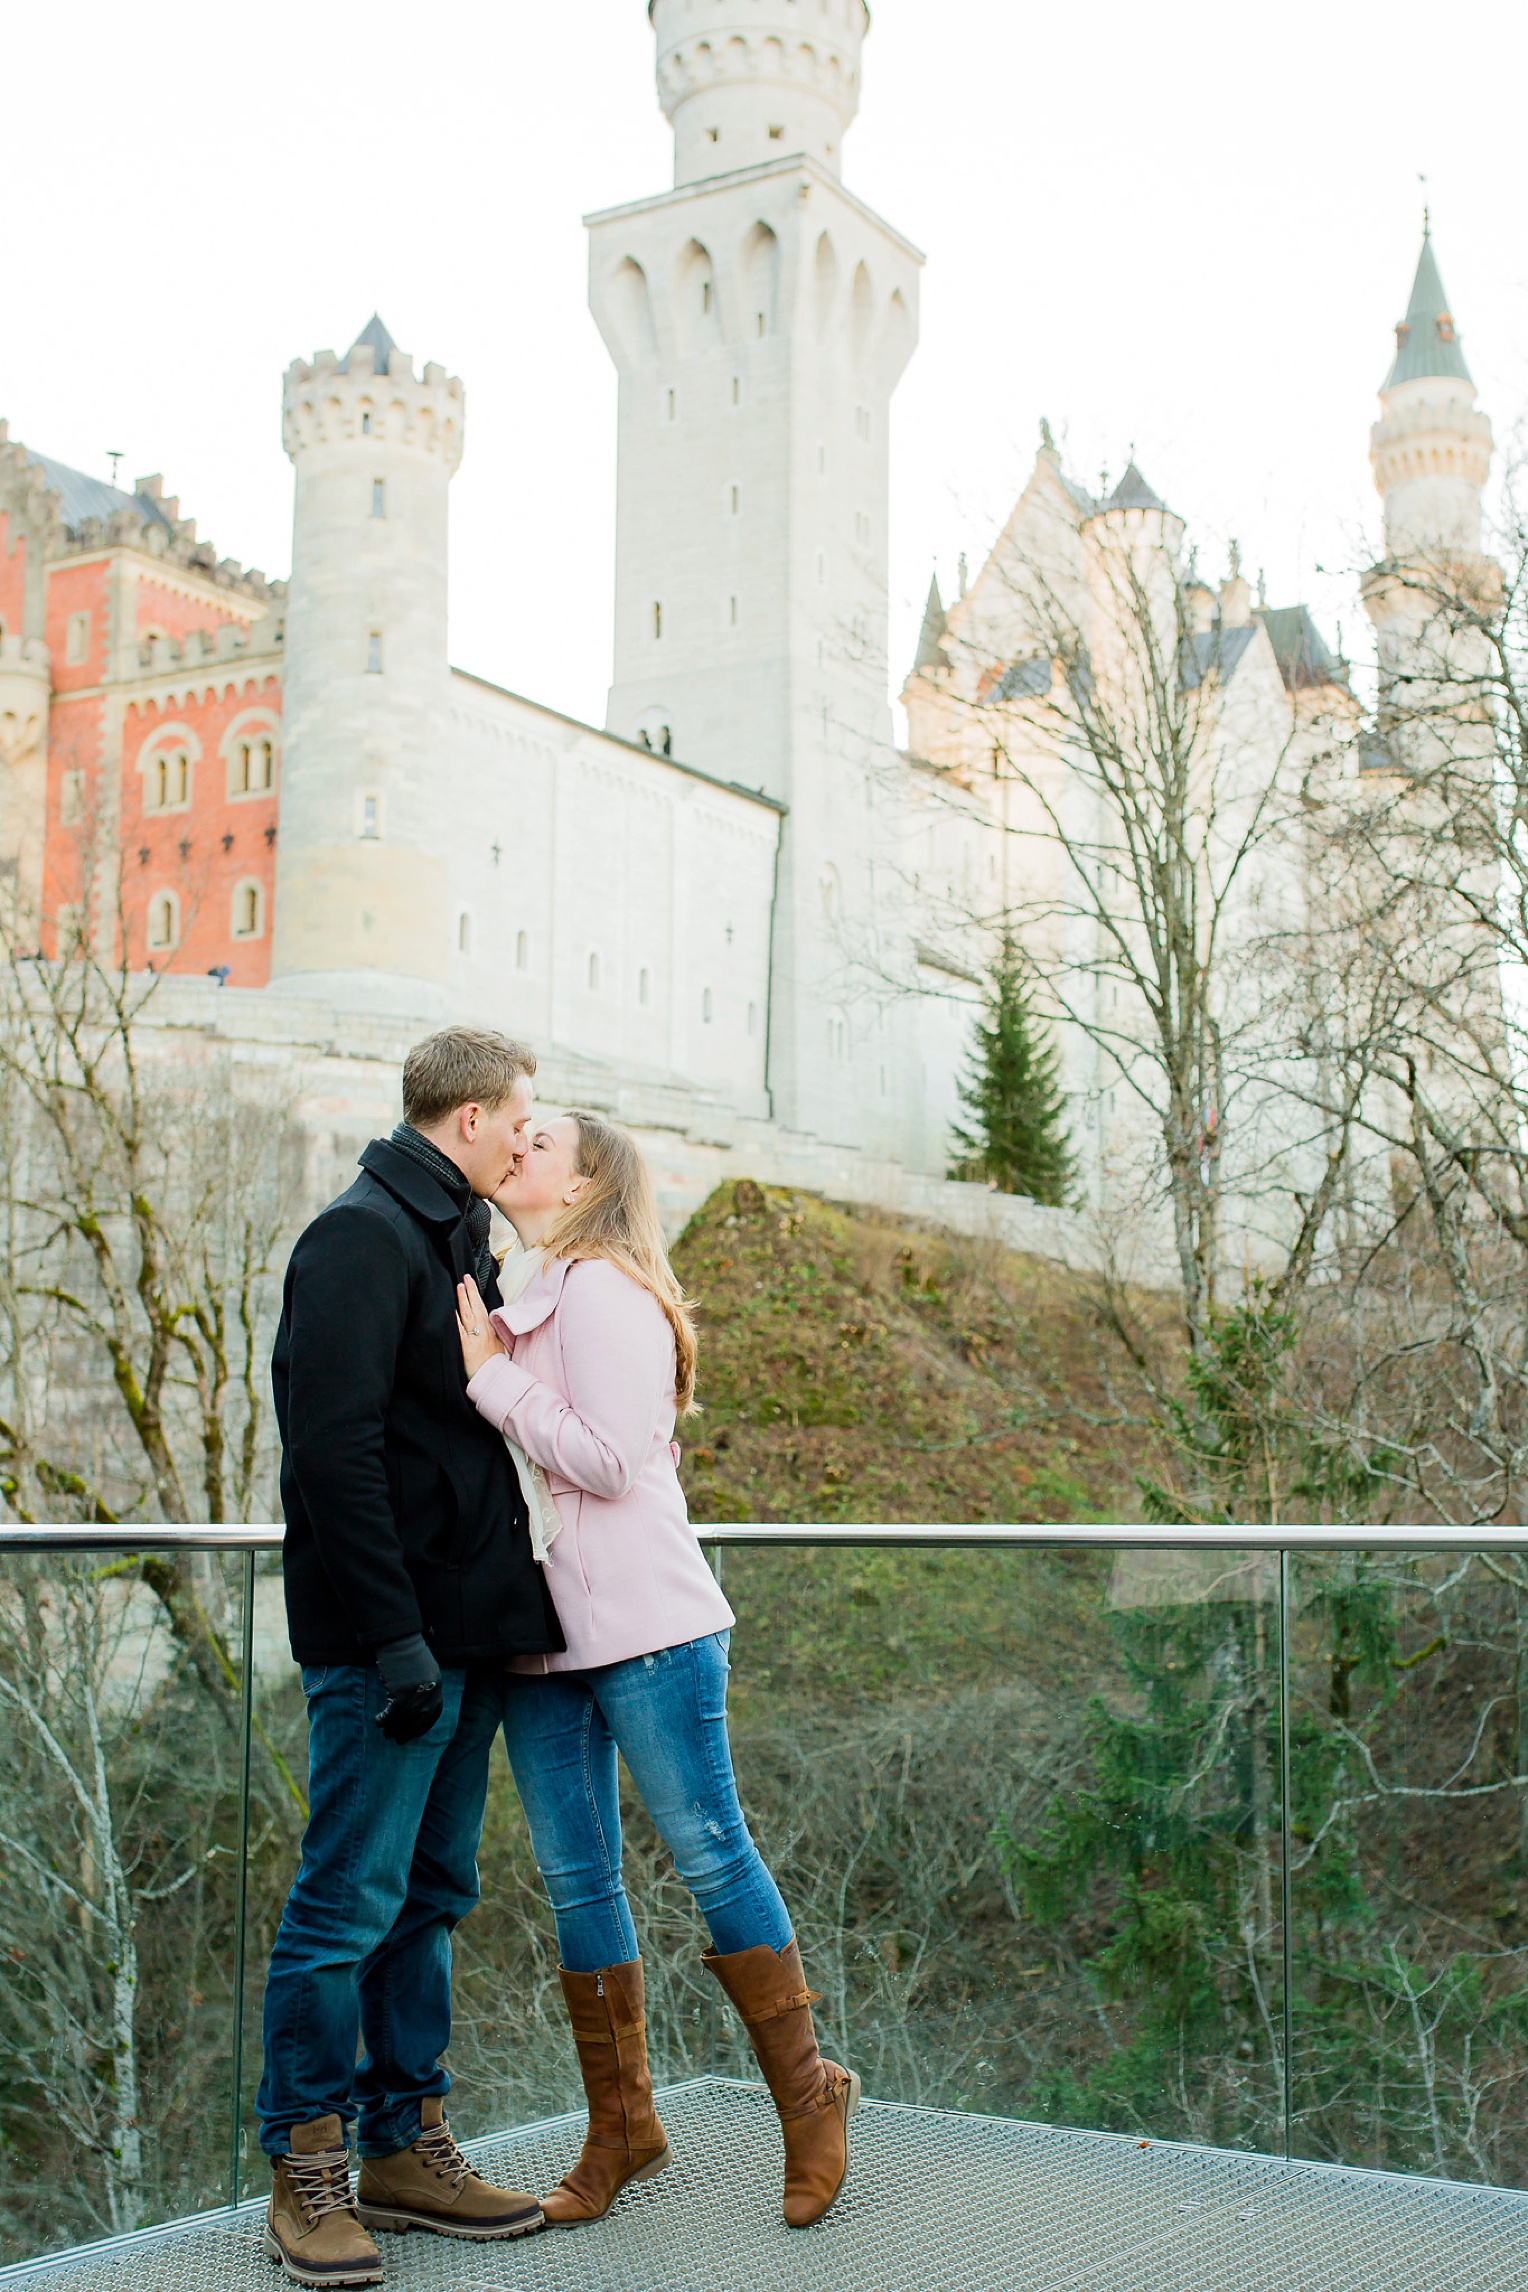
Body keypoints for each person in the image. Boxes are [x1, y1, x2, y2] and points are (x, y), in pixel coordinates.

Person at [455, 1111, 858, 2234]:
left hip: (647, 1628)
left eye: (540, 1140)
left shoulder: (601, 1293)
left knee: (707, 1851)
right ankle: (622, 2127)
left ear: (586, 1184)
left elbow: (609, 1459)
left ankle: (810, 2094)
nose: (517, 1146)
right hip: (541, 1636)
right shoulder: (517, 1291)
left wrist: (491, 1382)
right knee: (576, 1881)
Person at [260, 1027, 564, 2286]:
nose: (527, 1138)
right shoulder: (359, 1236)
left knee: (431, 1899)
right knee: (344, 1906)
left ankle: (405, 2140)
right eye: (520, 1120)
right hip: (390, 1644)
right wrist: (391, 1642)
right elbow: (329, 1455)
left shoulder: (450, 1234)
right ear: (474, 1118)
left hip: (468, 1632)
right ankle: (309, 2165)